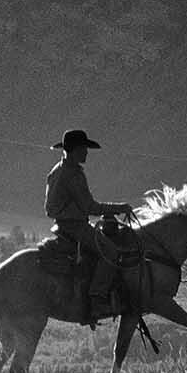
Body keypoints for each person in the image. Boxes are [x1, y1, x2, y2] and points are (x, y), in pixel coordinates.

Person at [46, 129, 135, 321]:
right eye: (83, 149)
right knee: (110, 252)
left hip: (64, 225)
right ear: (75, 150)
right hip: (75, 227)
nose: (86, 152)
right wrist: (119, 208)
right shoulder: (72, 174)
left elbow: (51, 208)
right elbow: (89, 206)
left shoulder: (57, 170)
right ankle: (97, 298)